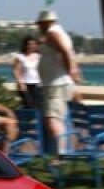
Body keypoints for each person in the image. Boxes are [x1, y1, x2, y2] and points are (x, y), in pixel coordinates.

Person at [35, 9, 83, 153]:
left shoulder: (52, 32)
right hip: (56, 82)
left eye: (40, 24)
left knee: (52, 118)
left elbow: (65, 51)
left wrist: (72, 70)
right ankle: (60, 150)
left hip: (55, 84)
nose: (39, 27)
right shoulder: (57, 33)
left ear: (45, 23)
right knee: (56, 118)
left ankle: (60, 153)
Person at [12, 36, 42, 110]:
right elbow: (16, 70)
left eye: (33, 44)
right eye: (29, 44)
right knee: (28, 104)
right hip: (25, 84)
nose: (30, 46)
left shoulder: (38, 56)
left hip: (37, 84)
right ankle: (27, 119)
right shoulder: (20, 57)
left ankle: (35, 120)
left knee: (37, 104)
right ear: (25, 45)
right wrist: (20, 83)